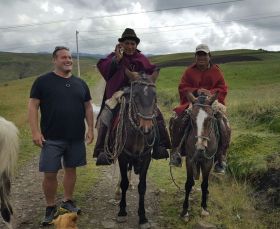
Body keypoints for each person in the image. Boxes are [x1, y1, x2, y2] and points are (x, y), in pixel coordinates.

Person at [28, 46, 94, 226]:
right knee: (50, 173)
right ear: (54, 60)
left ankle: (68, 200)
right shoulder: (42, 82)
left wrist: (91, 128)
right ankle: (50, 207)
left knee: (71, 169)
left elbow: (88, 106)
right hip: (51, 138)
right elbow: (33, 106)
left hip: (75, 137)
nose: (68, 60)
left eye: (70, 57)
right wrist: (35, 131)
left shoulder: (80, 83)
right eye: (64, 57)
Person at [93, 28, 171, 165]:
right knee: (107, 113)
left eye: (133, 44)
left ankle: (160, 145)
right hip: (120, 92)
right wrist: (116, 61)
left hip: (139, 92)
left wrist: (142, 76)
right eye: (127, 43)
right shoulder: (114, 56)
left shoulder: (141, 58)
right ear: (121, 44)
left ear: (136, 45)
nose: (130, 46)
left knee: (157, 112)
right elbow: (104, 68)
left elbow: (151, 71)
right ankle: (102, 150)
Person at [169, 44, 231, 174]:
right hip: (193, 101)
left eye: (204, 55)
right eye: (199, 55)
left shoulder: (216, 71)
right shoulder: (189, 71)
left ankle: (221, 157)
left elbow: (222, 88)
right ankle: (176, 152)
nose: (201, 57)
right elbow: (183, 87)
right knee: (178, 119)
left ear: (209, 56)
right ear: (195, 56)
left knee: (223, 122)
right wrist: (196, 91)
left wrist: (209, 93)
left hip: (211, 102)